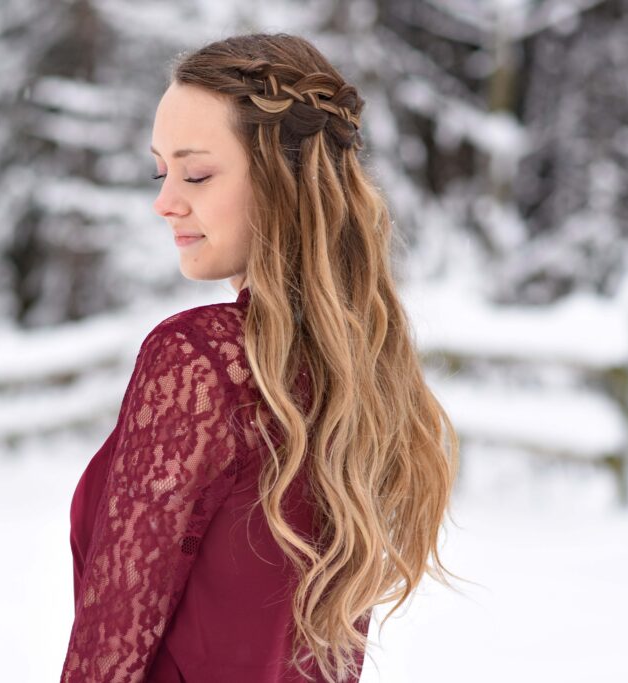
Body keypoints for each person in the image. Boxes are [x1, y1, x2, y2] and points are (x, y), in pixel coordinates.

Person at [62, 32, 460, 683]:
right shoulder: (360, 370)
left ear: (283, 178)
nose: (164, 201)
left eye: (195, 172)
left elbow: (108, 654)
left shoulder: (199, 361)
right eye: (160, 171)